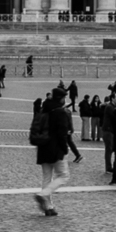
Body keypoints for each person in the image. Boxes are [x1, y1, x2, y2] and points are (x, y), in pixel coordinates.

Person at [34, 86, 81, 216]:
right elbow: (62, 133)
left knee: (46, 177)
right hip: (55, 148)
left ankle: (48, 207)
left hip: (43, 147)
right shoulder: (60, 112)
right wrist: (65, 148)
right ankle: (43, 194)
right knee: (64, 175)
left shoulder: (44, 109)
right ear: (61, 98)